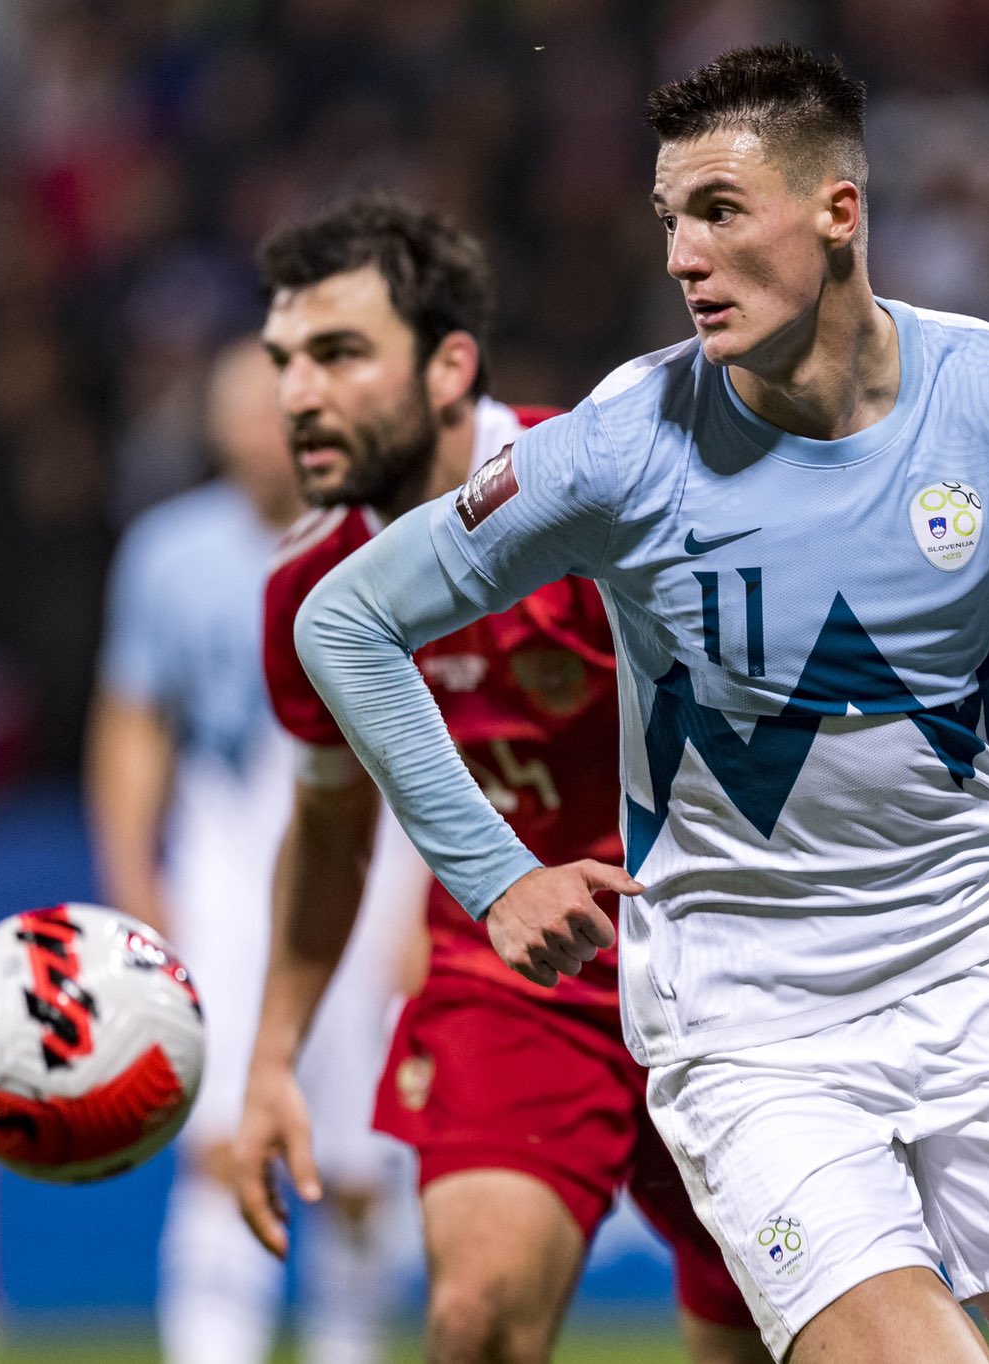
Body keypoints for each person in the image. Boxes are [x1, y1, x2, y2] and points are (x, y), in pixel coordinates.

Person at [288, 46, 989, 1364]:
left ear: (838, 213)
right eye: (668, 221)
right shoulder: (622, 441)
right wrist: (492, 874)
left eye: (717, 211)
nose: (682, 258)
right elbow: (344, 620)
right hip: (752, 1021)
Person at [227, 194, 765, 1364]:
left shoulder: (595, 492)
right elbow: (330, 834)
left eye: (338, 354)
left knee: (768, 1333)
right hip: (515, 973)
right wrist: (271, 1055)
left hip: (720, 956)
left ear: (448, 365)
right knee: (471, 1321)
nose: (297, 395)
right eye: (284, 362)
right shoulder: (307, 590)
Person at [87, 339, 419, 1364]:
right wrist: (138, 886)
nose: (260, 432)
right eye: (239, 412)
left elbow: (434, 721)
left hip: (373, 840)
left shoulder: (389, 539)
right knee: (221, 1126)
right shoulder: (167, 552)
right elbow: (133, 723)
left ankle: (346, 1340)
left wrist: (426, 906)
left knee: (360, 1157)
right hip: (228, 851)